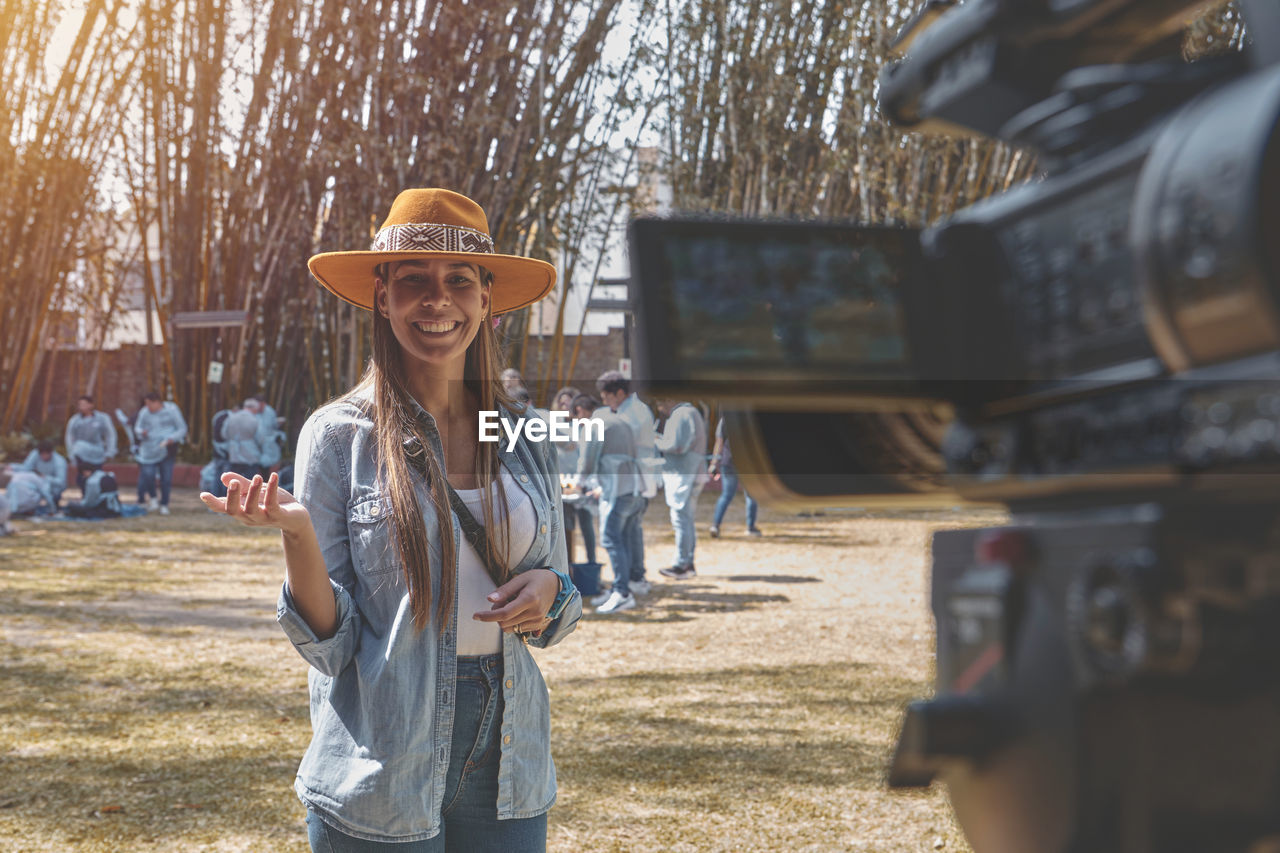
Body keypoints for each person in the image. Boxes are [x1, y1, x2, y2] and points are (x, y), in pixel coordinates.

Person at [200, 188, 581, 852]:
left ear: (487, 300)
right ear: (383, 295)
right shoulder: (337, 434)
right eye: (414, 281)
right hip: (382, 753)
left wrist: (551, 590)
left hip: (510, 754)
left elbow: (562, 595)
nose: (437, 299)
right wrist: (298, 536)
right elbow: (331, 642)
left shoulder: (525, 437)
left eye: (459, 280)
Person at [572, 394, 644, 613]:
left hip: (617, 491)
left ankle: (622, 593)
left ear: (581, 411)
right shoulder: (619, 419)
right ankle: (625, 586)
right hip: (634, 487)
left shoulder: (595, 424)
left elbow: (587, 459)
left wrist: (578, 483)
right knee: (625, 538)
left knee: (611, 539)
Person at [595, 370, 657, 595]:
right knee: (632, 532)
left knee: (616, 536)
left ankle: (625, 586)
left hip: (628, 481)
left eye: (607, 397)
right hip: (640, 480)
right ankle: (636, 578)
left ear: (619, 393)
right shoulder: (638, 410)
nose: (605, 403)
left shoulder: (627, 415)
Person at [654, 398, 708, 580]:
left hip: (683, 474)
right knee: (686, 520)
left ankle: (681, 565)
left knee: (681, 520)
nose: (660, 407)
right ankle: (687, 563)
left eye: (659, 402)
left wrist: (655, 441)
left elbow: (677, 446)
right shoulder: (691, 412)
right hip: (692, 472)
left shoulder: (682, 414)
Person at [551, 386, 596, 566]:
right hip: (562, 483)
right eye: (561, 403)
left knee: (586, 525)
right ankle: (568, 566)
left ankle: (592, 562)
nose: (565, 407)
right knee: (566, 526)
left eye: (568, 403)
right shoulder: (553, 426)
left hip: (581, 480)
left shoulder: (584, 425)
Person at [134, 391, 188, 515]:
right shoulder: (144, 412)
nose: (147, 407)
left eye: (149, 404)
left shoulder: (172, 410)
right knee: (148, 475)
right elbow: (137, 428)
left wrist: (172, 439)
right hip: (149, 449)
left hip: (167, 449)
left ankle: (164, 504)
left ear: (157, 402)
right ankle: (153, 498)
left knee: (166, 478)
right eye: (146, 404)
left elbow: (182, 428)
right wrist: (142, 432)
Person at [709, 416, 762, 538]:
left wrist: (713, 463)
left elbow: (719, 443)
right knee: (751, 495)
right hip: (748, 463)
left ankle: (715, 525)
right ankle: (751, 527)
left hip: (728, 461)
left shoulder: (725, 419)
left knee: (726, 495)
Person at [64, 394, 117, 493]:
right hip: (80, 453)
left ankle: (97, 499)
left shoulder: (103, 418)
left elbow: (110, 435)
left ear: (91, 405)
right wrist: (71, 453)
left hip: (97, 453)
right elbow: (69, 437)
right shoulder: (75, 420)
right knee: (82, 477)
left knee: (97, 477)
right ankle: (86, 498)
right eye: (80, 404)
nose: (82, 407)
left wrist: (110, 451)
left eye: (84, 404)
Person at [223, 402, 265, 480]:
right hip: (250, 455)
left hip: (234, 455)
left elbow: (224, 434)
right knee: (250, 481)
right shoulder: (255, 419)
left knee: (233, 480)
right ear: (254, 409)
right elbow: (261, 438)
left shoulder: (232, 418)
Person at [20, 440, 68, 509]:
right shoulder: (35, 454)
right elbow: (26, 468)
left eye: (45, 454)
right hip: (37, 483)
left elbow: (61, 482)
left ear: (51, 453)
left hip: (54, 487)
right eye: (41, 454)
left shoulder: (59, 462)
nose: (43, 457)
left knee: (52, 491)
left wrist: (46, 478)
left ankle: (54, 506)